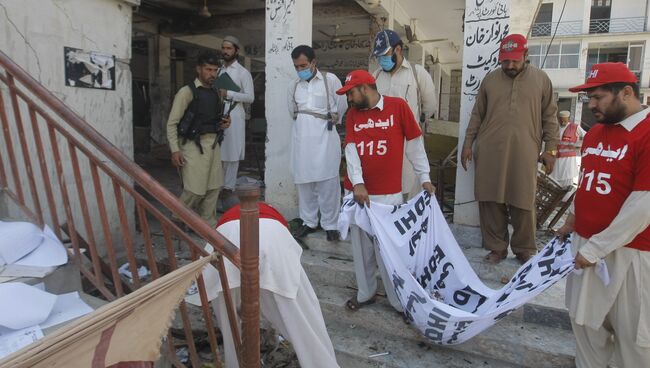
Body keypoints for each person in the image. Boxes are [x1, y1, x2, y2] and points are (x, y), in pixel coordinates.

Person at [556, 62, 650, 368]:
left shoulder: (646, 134)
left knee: (634, 341)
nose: (591, 105)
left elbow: (642, 205)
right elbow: (587, 181)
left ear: (626, 92)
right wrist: (571, 219)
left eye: (598, 97)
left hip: (631, 254)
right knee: (585, 326)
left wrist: (596, 249)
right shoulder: (595, 133)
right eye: (589, 98)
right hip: (585, 248)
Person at [185, 202, 340, 368]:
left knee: (228, 314)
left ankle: (236, 363)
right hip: (270, 240)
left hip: (225, 239)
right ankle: (322, 363)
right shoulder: (277, 219)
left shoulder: (231, 214)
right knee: (301, 314)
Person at [336, 70, 435, 312]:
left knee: (390, 252)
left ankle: (398, 301)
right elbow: (351, 149)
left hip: (388, 195)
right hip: (358, 195)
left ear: (365, 88)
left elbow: (414, 145)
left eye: (351, 92)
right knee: (362, 250)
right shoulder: (352, 115)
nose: (348, 98)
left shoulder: (398, 107)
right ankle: (366, 292)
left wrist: (425, 177)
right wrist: (357, 182)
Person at [460, 33, 559, 264]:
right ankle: (497, 248)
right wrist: (467, 144)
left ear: (526, 55)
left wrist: (551, 150)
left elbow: (550, 117)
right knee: (490, 199)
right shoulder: (490, 80)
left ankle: (524, 249)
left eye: (515, 60)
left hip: (525, 150)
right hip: (489, 150)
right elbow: (477, 114)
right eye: (505, 61)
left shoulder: (541, 80)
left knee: (523, 200)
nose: (510, 65)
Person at [288, 45, 348, 242]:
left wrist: (330, 120)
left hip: (325, 139)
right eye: (296, 66)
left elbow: (341, 105)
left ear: (314, 62)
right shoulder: (294, 86)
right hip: (301, 142)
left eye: (303, 65)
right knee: (305, 183)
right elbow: (292, 111)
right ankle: (309, 222)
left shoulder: (329, 80)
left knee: (328, 183)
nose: (300, 70)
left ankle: (331, 224)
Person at [372, 29, 438, 200]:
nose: (382, 60)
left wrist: (415, 122)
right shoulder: (376, 76)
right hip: (382, 143)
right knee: (385, 189)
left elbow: (430, 106)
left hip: (408, 141)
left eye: (385, 54)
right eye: (378, 56)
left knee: (409, 187)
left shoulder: (417, 73)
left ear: (398, 50)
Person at [166, 51, 230, 227]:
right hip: (192, 144)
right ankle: (177, 217)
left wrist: (224, 123)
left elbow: (215, 118)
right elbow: (172, 123)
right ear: (198, 69)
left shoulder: (217, 92)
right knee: (195, 189)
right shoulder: (186, 92)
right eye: (208, 69)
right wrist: (175, 150)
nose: (212, 74)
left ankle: (206, 224)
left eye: (215, 70)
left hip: (213, 142)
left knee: (214, 186)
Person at [218, 36, 255, 207]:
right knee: (219, 150)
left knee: (232, 152)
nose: (225, 51)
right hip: (219, 111)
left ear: (236, 51)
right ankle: (218, 185)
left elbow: (250, 97)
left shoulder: (242, 73)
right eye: (224, 48)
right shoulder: (219, 70)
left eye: (229, 48)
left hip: (235, 113)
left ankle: (228, 186)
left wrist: (230, 94)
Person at [549, 110, 585, 189]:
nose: (562, 122)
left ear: (568, 119)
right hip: (556, 157)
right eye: (561, 120)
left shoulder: (575, 127)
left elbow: (587, 137)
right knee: (553, 178)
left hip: (568, 160)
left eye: (564, 120)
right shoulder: (555, 127)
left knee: (567, 178)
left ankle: (565, 198)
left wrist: (577, 147)